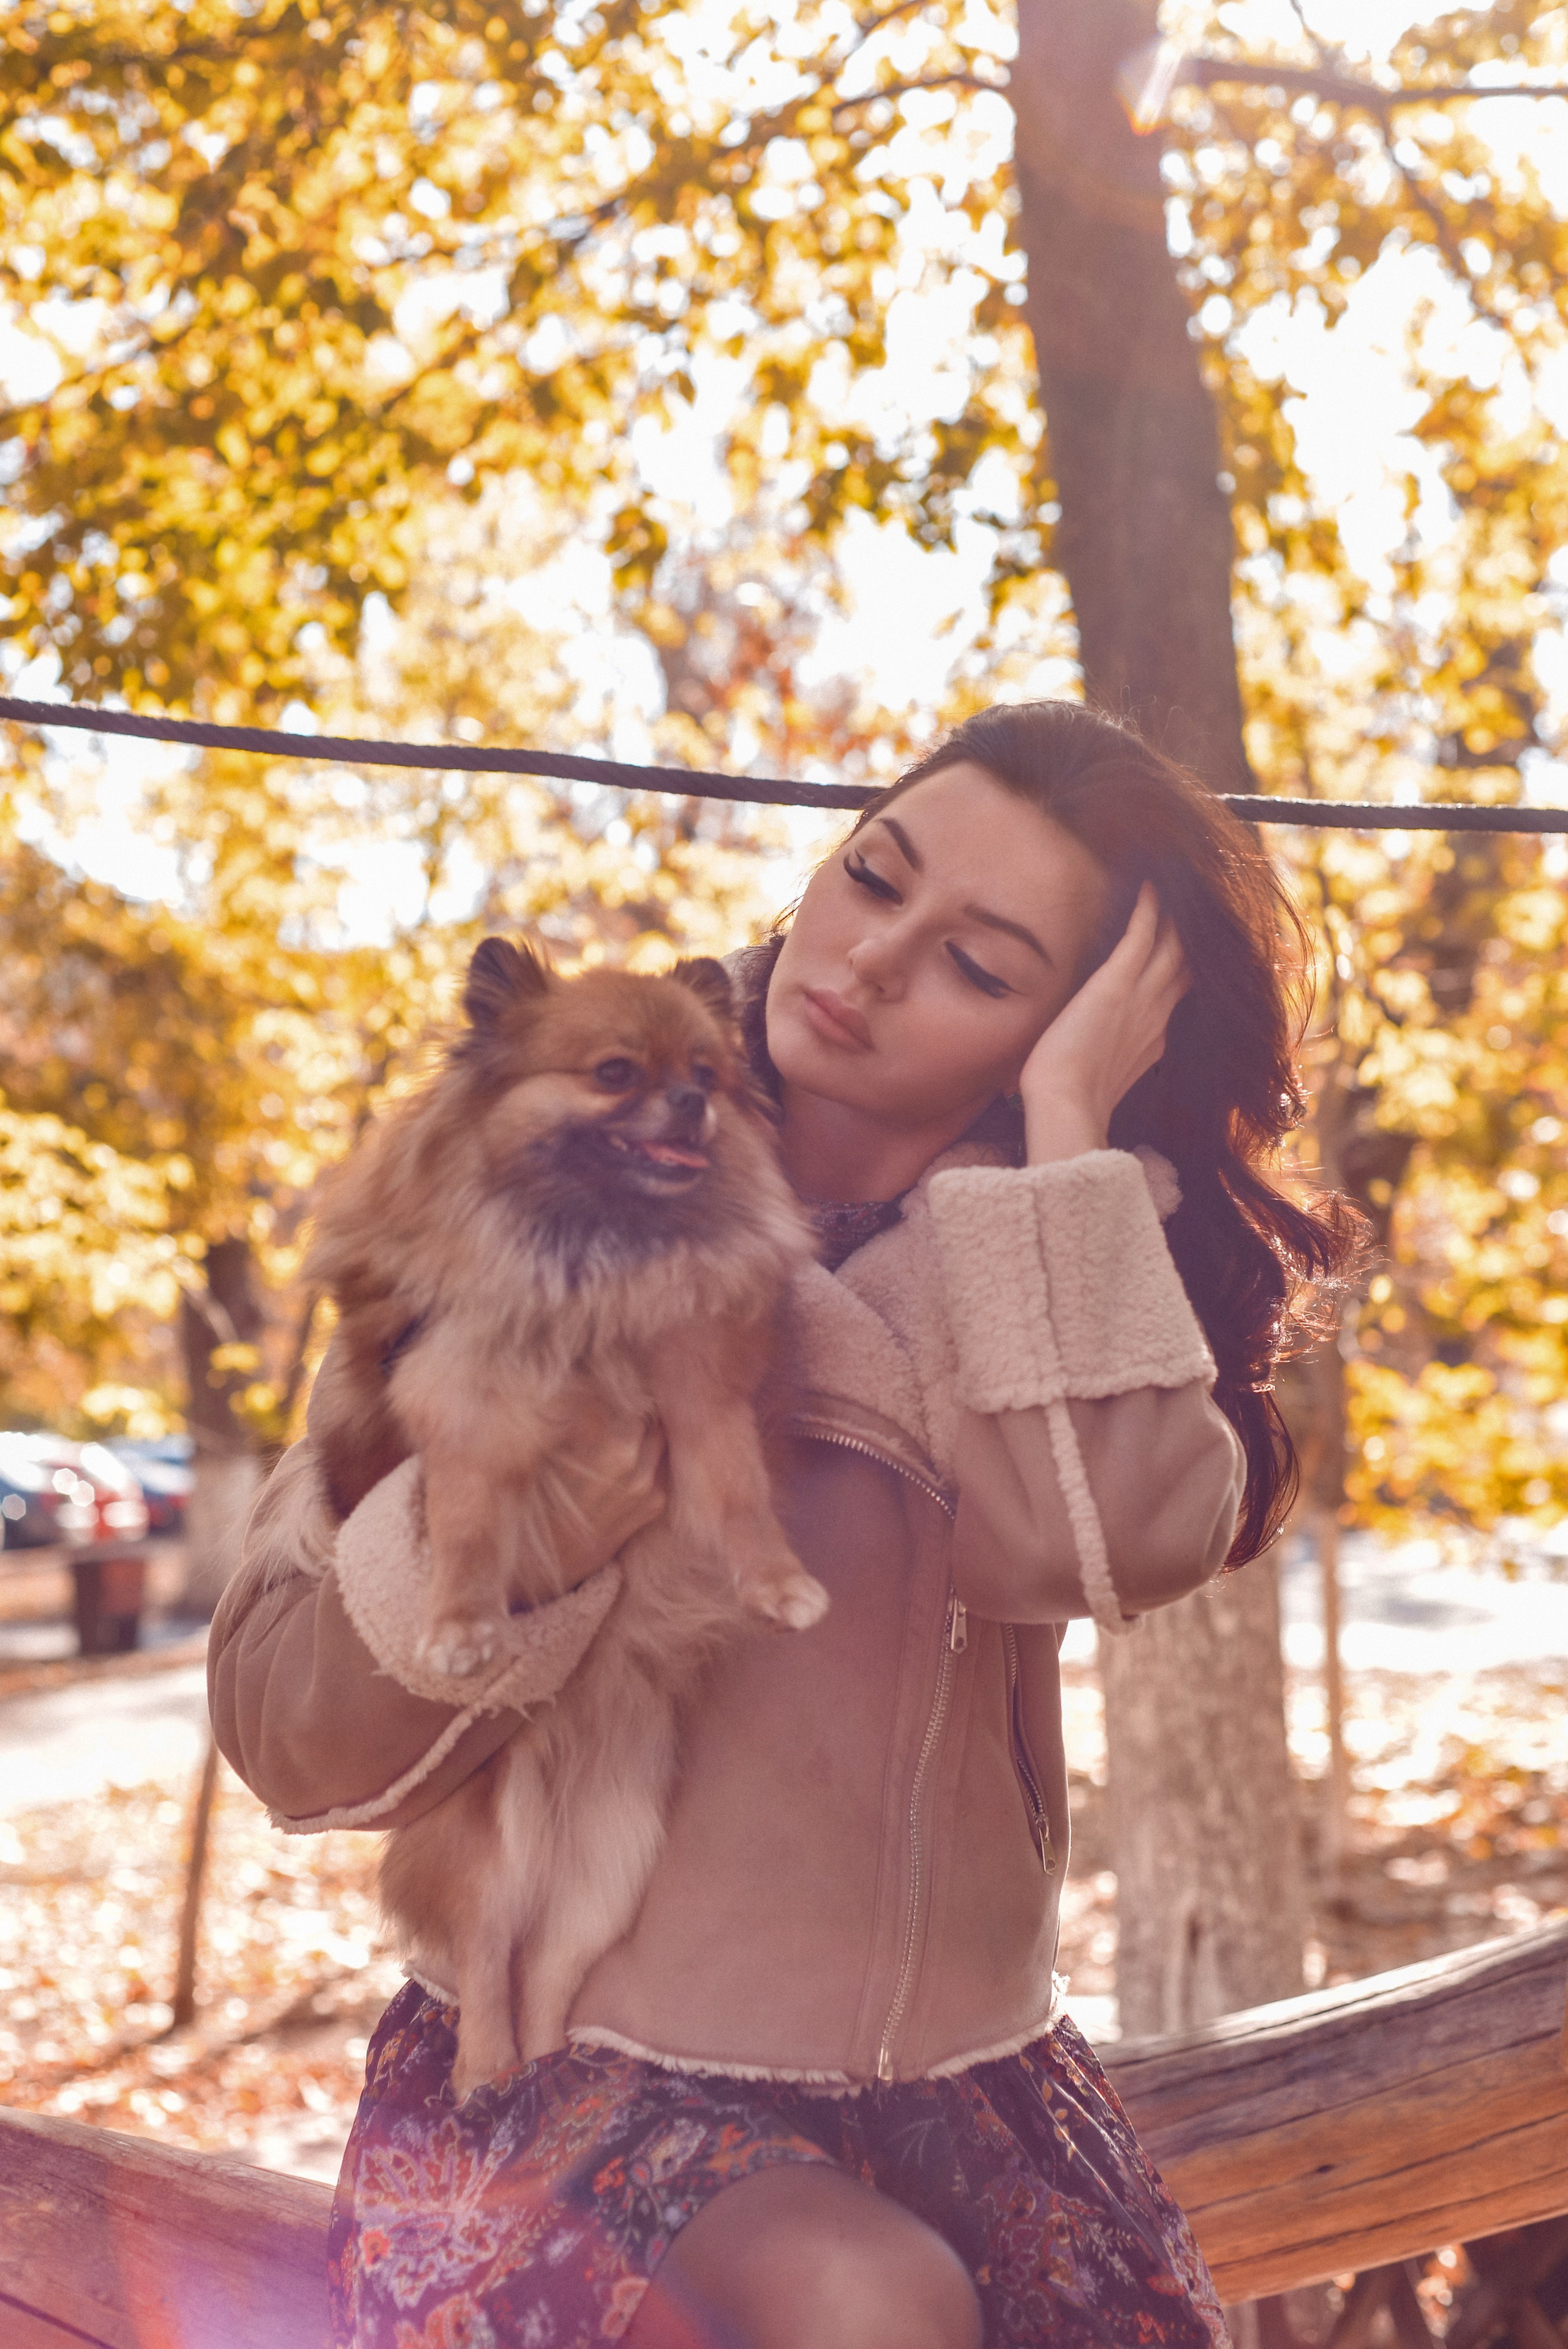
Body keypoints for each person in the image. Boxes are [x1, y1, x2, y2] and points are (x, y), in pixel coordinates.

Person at [209, 700, 1355, 2349]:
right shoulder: (542, 1148)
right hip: (561, 2096)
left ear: (1081, 1028)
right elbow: (279, 1723)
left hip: (970, 2098)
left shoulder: (1065, 1242)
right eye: (873, 873)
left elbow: (1095, 1542)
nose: (871, 962)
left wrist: (1063, 1130)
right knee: (863, 2297)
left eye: (981, 964)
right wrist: (530, 1537)